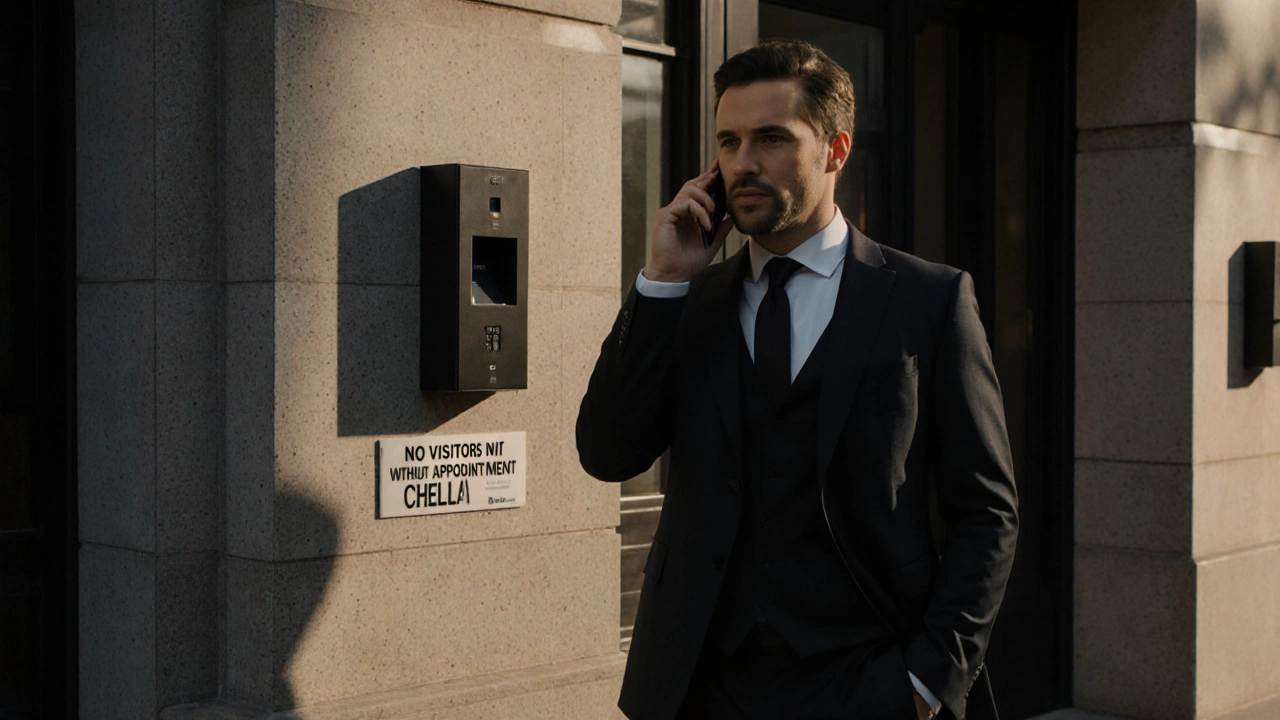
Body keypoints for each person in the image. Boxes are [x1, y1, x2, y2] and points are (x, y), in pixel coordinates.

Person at [577, 39, 1018, 720]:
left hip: (867, 681)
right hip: (700, 684)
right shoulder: (689, 302)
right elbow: (606, 453)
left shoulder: (927, 300)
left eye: (772, 138)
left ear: (835, 150)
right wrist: (661, 284)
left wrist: (929, 680)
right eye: (728, 141)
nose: (742, 163)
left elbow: (986, 510)